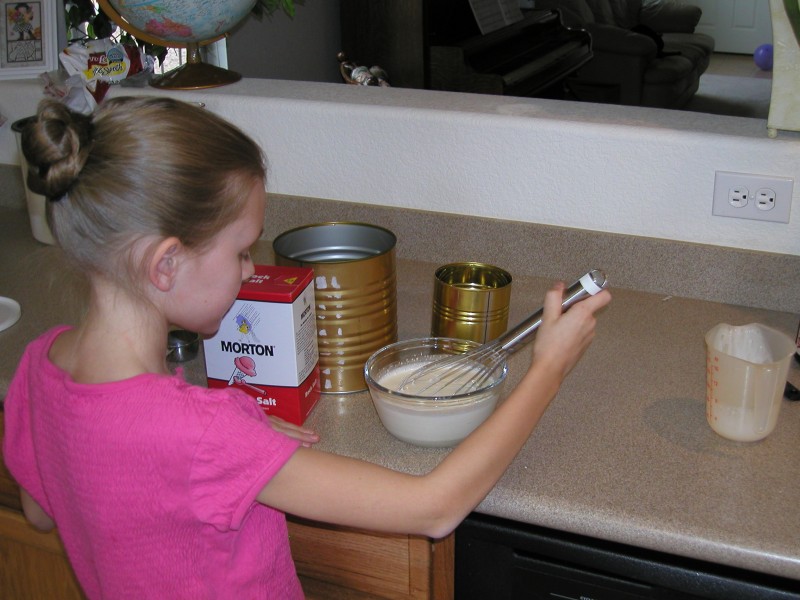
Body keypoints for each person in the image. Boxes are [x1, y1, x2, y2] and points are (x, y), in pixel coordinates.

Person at [3, 96, 611, 599]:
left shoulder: (41, 364)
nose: (249, 271)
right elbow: (434, 507)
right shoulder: (203, 435)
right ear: (166, 263)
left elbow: (43, 510)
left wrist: (237, 447)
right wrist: (547, 369)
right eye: (242, 249)